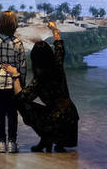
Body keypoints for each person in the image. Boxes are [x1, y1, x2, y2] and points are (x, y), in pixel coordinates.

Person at [8, 20, 79, 152]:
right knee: (56, 114)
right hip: (71, 118)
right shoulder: (57, 65)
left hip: (56, 121)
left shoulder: (39, 80)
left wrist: (14, 76)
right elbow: (59, 47)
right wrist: (54, 29)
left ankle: (46, 138)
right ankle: (58, 142)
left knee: (20, 104)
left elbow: (21, 98)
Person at [0, 10, 27, 153]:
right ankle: (12, 143)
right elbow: (22, 66)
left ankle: (1, 142)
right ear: (14, 24)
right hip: (13, 84)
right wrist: (22, 83)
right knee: (12, 114)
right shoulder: (17, 43)